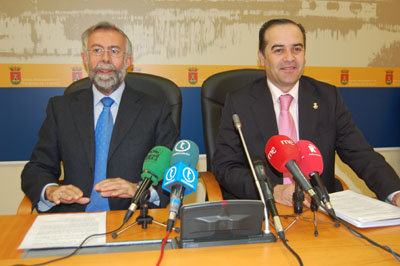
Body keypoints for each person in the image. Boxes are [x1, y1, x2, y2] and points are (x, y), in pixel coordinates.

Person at [212, 18, 400, 207]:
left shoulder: (328, 98)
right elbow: (225, 167)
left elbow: (361, 154)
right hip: (266, 209)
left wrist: (395, 193)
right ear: (262, 57)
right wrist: (273, 190)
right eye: (279, 50)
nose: (289, 58)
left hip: (319, 211)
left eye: (297, 49)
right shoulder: (240, 102)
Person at [21, 22, 179, 213]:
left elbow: (174, 171)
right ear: (85, 58)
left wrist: (141, 191)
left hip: (133, 217)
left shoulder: (155, 109)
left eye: (114, 51)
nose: (105, 58)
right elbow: (37, 168)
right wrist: (51, 190)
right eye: (97, 50)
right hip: (73, 219)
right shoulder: (61, 109)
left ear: (128, 60)